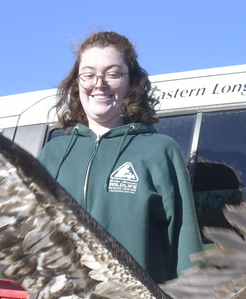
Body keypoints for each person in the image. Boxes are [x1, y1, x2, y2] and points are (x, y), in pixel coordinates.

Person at [38, 32, 201, 283]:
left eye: (113, 74)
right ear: (77, 82)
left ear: (132, 82)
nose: (99, 84)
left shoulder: (159, 150)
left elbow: (184, 243)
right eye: (89, 74)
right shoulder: (53, 154)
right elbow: (28, 237)